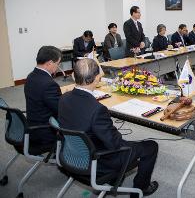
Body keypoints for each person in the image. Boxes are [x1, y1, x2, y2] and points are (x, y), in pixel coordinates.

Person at [58, 59, 158, 197]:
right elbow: (115, 143)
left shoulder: (64, 98)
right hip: (99, 161)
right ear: (96, 78)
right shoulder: (97, 109)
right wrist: (113, 131)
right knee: (151, 146)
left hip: (73, 155)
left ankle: (112, 182)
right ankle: (141, 189)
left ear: (74, 76)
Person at [24, 46, 62, 148]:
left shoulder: (31, 76)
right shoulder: (49, 84)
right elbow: (61, 109)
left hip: (33, 123)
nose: (58, 67)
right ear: (49, 63)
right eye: (58, 64)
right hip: (45, 132)